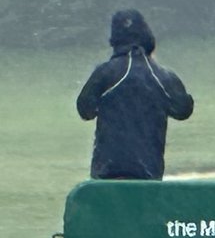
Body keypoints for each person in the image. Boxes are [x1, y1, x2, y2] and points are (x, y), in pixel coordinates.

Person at [76, 9, 193, 180]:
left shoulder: (105, 73)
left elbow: (85, 109)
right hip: (147, 174)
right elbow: (183, 109)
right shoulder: (161, 76)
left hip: (107, 172)